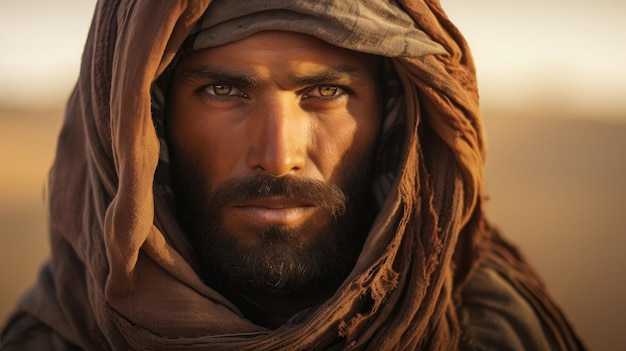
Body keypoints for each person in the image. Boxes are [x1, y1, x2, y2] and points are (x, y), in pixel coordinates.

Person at [1, 1, 585, 350]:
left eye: (326, 91)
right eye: (223, 90)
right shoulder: (56, 338)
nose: (279, 157)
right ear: (146, 120)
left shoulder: (491, 327)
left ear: (391, 117)